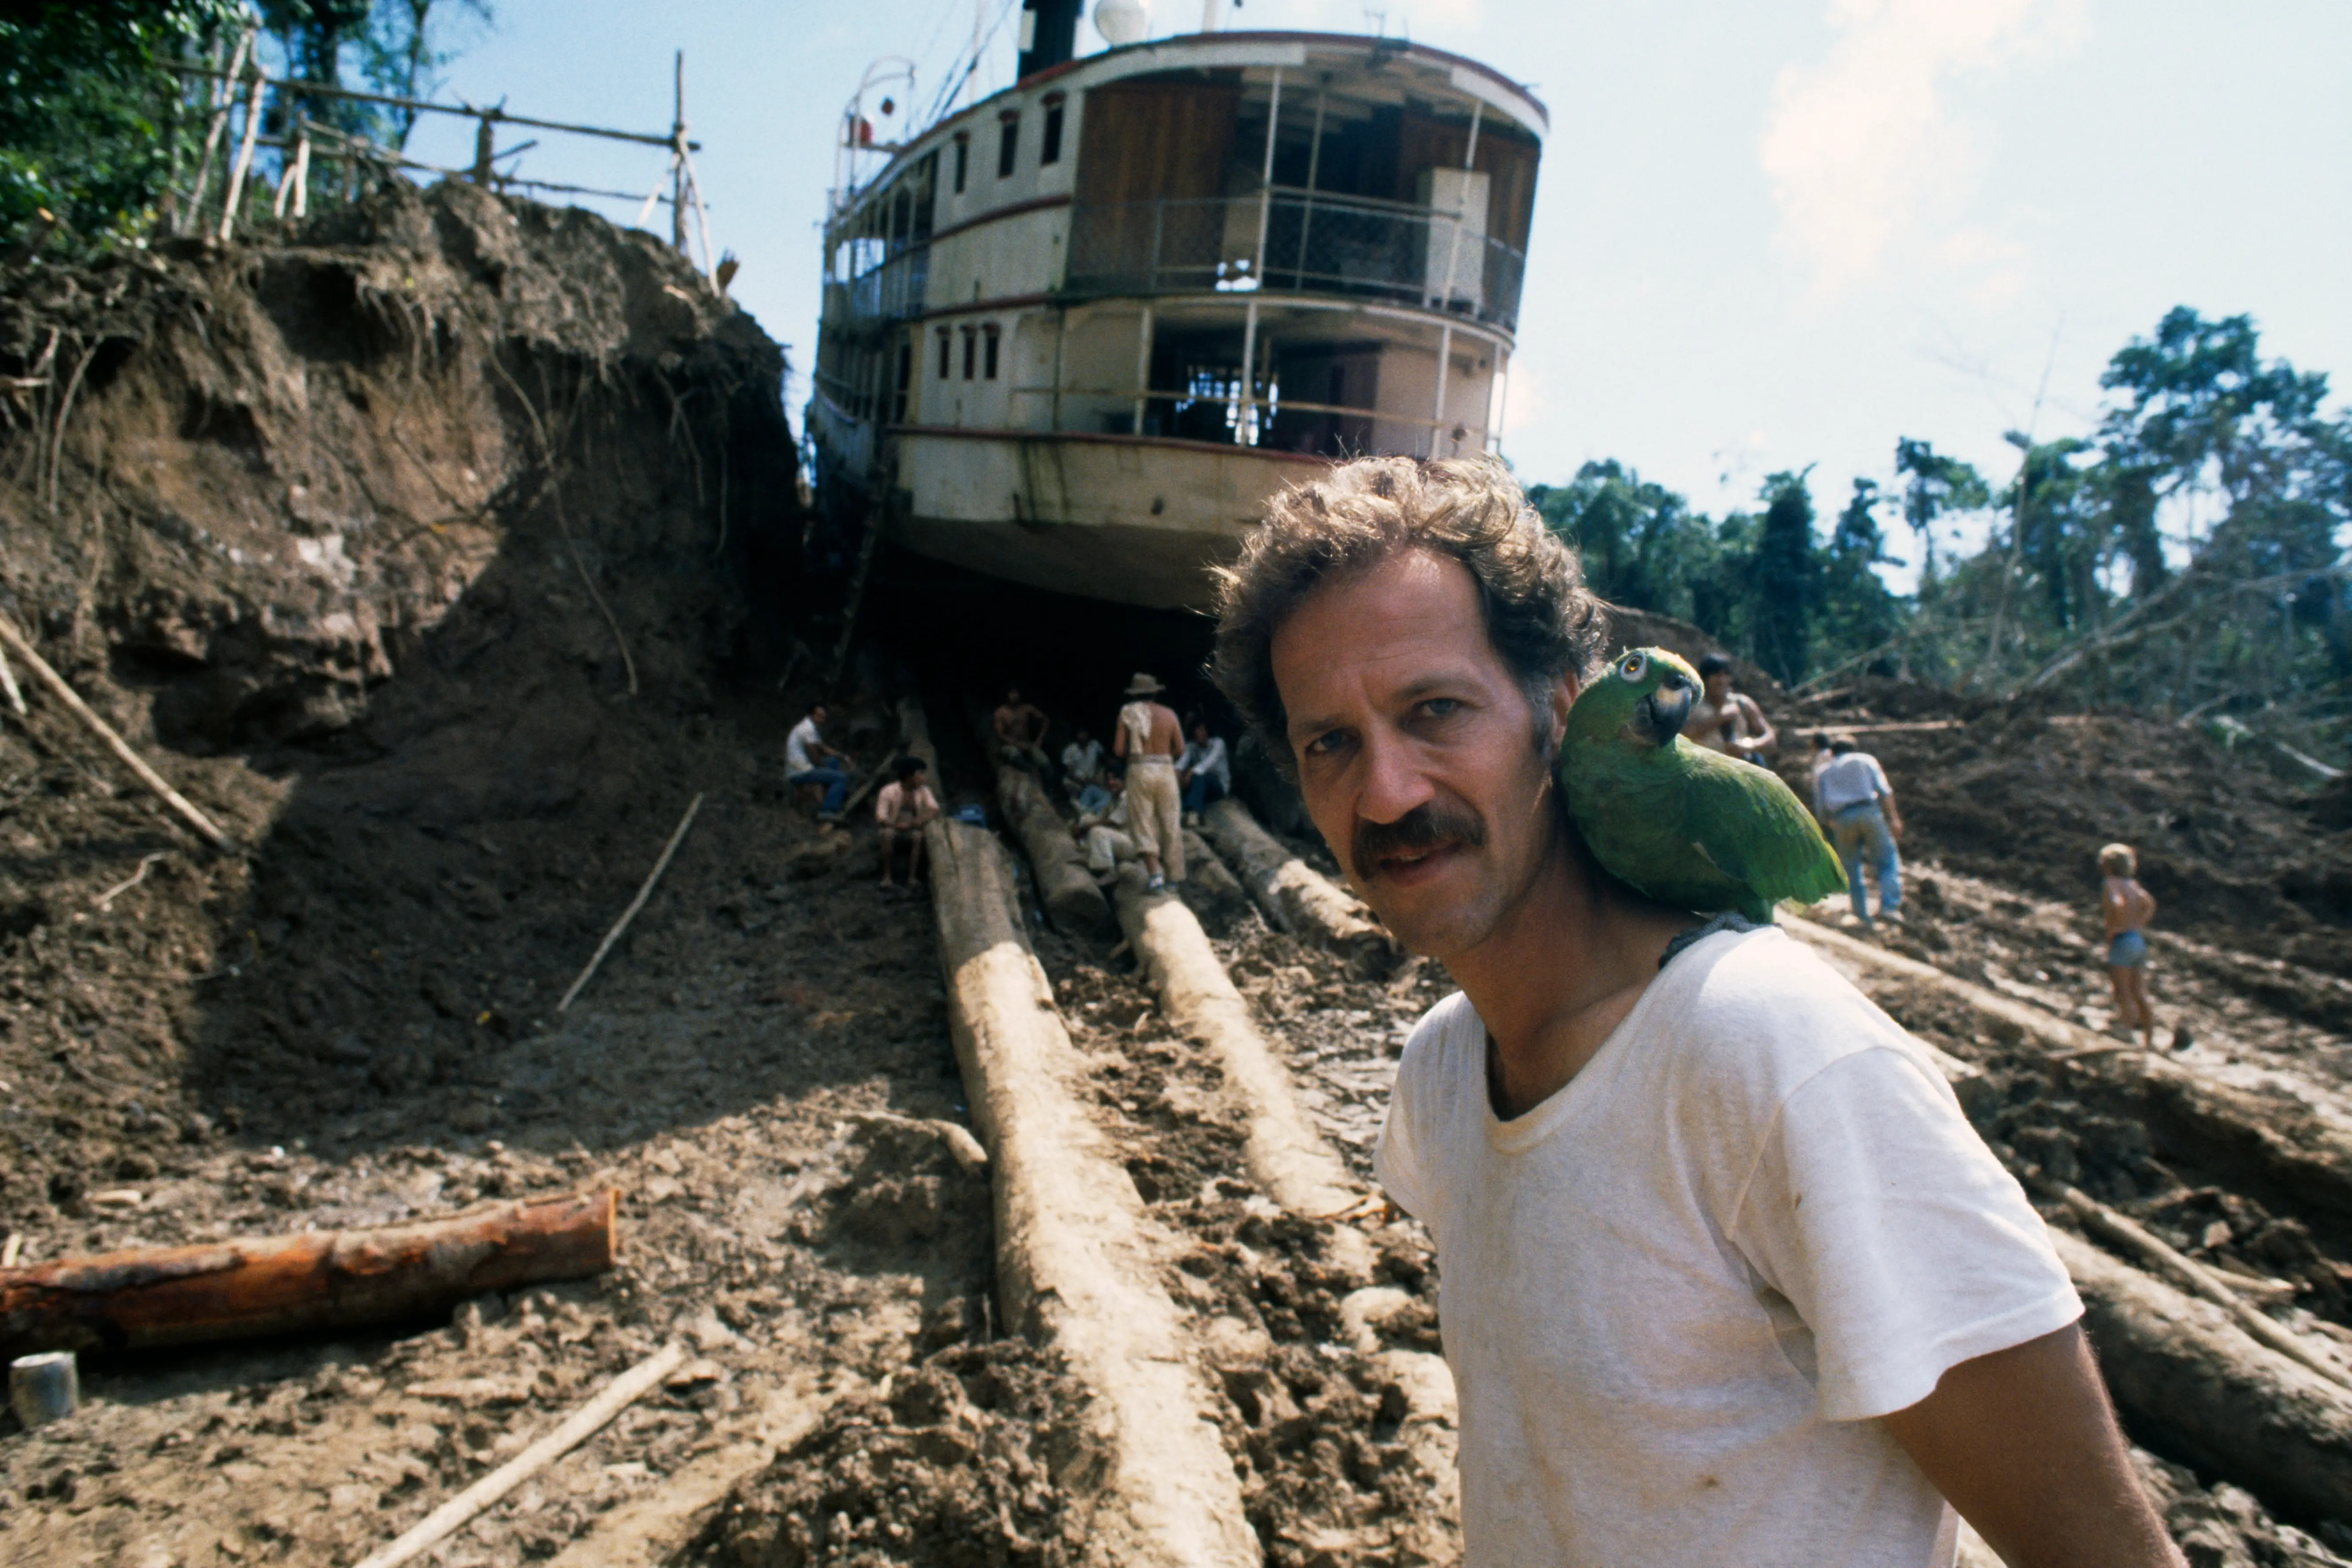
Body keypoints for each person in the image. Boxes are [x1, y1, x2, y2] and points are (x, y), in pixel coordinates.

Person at [1207, 453, 2176, 1568]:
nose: (1386, 793)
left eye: (1435, 711)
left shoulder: (1772, 1057)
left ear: (1560, 710)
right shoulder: (1441, 1071)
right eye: (1331, 742)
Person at [1813, 736, 1904, 929]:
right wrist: (1894, 819)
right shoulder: (1866, 760)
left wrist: (1830, 823)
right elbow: (1885, 791)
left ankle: (1861, 915)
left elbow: (1820, 807)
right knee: (1887, 860)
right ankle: (1889, 908)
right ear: (1854, 749)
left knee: (1851, 867)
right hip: (1869, 812)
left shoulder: (1824, 771)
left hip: (1842, 818)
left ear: (1832, 753)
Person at [1113, 672, 1185, 889]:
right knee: (1170, 822)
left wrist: (1137, 755)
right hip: (1165, 769)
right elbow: (1180, 749)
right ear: (1155, 693)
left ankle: (1155, 875)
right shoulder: (1170, 715)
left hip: (1139, 768)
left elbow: (1118, 750)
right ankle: (1174, 877)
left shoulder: (1127, 713)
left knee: (1142, 823)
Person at [2100, 843, 2160, 1050]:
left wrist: (2116, 925)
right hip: (2137, 939)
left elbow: (2116, 903)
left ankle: (2125, 1031)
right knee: (2139, 991)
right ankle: (2150, 1038)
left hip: (2122, 939)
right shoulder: (2132, 885)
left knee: (2122, 990)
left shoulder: (2111, 884)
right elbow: (2149, 904)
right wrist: (2138, 923)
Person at [1684, 651, 1777, 762]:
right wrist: (1720, 718)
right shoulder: (1693, 705)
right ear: (1704, 678)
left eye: (1726, 675)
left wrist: (1748, 746)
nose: (1722, 680)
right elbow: (1686, 735)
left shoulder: (1742, 704)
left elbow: (1770, 738)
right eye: (1716, 675)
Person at [874, 756, 940, 889]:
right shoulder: (889, 791)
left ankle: (912, 877)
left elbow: (934, 809)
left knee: (918, 837)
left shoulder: (924, 791)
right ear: (909, 776)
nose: (923, 778)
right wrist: (895, 825)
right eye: (920, 774)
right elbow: (881, 816)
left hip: (914, 827)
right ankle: (887, 877)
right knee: (887, 835)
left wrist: (919, 821)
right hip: (893, 826)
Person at [785, 701, 851, 820]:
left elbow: (823, 748)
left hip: (804, 766)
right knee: (841, 778)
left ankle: (831, 794)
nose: (822, 720)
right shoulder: (807, 729)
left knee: (834, 762)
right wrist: (824, 769)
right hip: (801, 771)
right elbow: (815, 758)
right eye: (819, 717)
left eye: (824, 717)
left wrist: (842, 757)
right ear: (812, 715)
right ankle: (827, 811)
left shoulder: (809, 727)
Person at [1074, 767, 1135, 886]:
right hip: (1118, 838)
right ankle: (1088, 853)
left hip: (1131, 844)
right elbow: (1100, 817)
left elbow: (1113, 822)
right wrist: (1082, 824)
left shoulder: (1129, 798)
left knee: (1098, 831)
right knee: (1087, 819)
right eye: (1109, 779)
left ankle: (1109, 872)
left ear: (1124, 781)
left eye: (1115, 779)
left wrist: (1084, 828)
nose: (1111, 782)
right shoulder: (1113, 798)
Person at [993, 686, 1053, 780]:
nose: (1014, 696)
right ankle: (1031, 772)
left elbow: (1046, 720)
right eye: (1012, 693)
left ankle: (1050, 791)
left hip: (1027, 744)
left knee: (1046, 764)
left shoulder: (1027, 709)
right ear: (1007, 695)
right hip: (1010, 745)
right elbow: (1000, 735)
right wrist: (1017, 744)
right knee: (1014, 755)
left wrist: (1040, 739)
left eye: (1016, 693)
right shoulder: (1001, 712)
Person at [1178, 717, 1231, 821]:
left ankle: (1193, 813)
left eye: (1201, 730)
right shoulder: (1192, 746)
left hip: (1218, 785)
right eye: (1196, 730)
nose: (1199, 733)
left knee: (1199, 776)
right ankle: (1181, 811)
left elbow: (1206, 765)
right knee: (1187, 779)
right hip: (1200, 785)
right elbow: (1181, 763)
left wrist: (1190, 773)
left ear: (1207, 731)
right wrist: (1178, 774)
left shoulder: (1218, 744)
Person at [1061, 724, 1107, 806]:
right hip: (1076, 782)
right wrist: (1085, 781)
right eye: (1080, 734)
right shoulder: (1070, 750)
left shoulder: (1095, 745)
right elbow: (1069, 773)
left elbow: (1104, 759)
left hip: (1093, 780)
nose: (1082, 736)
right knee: (1068, 784)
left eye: (1084, 733)